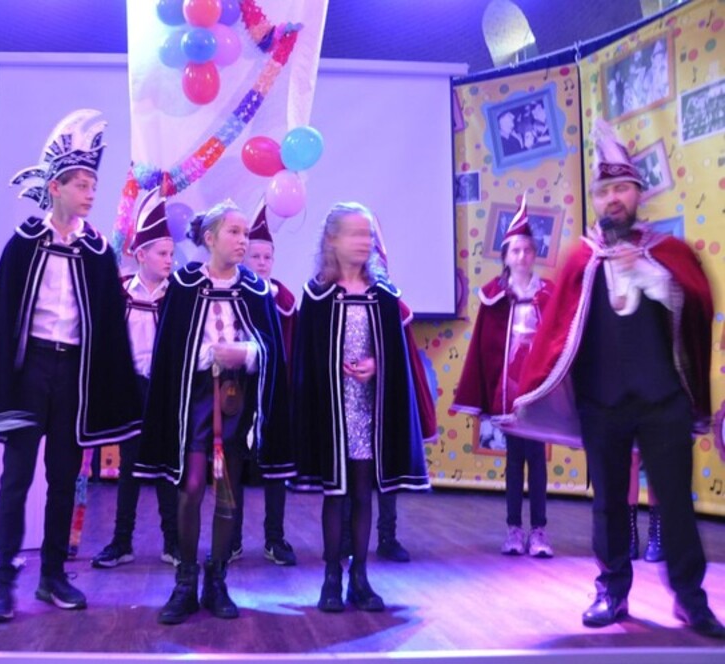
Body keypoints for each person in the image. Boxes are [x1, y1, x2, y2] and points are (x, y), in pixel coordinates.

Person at [506, 120, 723, 638]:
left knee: (675, 501)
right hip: (602, 402)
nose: (613, 199)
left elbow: (695, 303)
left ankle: (691, 599)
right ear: (597, 201)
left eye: (622, 189)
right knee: (606, 503)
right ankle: (612, 590)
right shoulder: (582, 258)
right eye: (604, 192)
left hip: (662, 399)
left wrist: (646, 273)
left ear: (638, 194)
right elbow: (558, 333)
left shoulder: (668, 254)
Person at [0, 109, 142, 623]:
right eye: (81, 184)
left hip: (73, 375)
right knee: (16, 477)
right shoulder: (25, 242)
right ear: (55, 187)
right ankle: (2, 582)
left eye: (93, 185)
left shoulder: (97, 252)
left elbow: (108, 328)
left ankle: (53, 575)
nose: (89, 193)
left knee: (65, 477)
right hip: (29, 374)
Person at [134, 200, 294, 625]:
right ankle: (185, 580)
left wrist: (246, 353)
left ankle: (217, 579)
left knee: (226, 490)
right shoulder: (185, 285)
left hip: (235, 400)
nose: (243, 241)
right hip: (195, 398)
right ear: (210, 238)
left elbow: (270, 347)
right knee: (191, 485)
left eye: (245, 234)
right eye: (234, 233)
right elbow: (172, 349)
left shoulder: (255, 290)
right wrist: (208, 355)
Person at [293, 202, 430, 614]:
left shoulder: (383, 296)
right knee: (335, 494)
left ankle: (360, 577)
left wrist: (376, 365)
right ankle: (330, 577)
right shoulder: (317, 295)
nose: (364, 241)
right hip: (334, 410)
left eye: (368, 234)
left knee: (363, 492)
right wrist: (331, 364)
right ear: (332, 240)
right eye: (355, 234)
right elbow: (305, 357)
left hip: (369, 410)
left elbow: (395, 355)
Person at [454, 195, 555, 558]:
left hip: (538, 390)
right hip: (509, 392)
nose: (522, 256)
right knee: (514, 460)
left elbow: (557, 339)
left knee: (537, 460)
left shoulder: (547, 294)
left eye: (528, 250)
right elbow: (485, 347)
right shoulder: (495, 296)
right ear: (506, 256)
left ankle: (539, 531)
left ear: (534, 254)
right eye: (516, 250)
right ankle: (514, 529)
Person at [91, 191, 180, 569]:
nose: (169, 260)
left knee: (165, 468)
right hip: (130, 389)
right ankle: (121, 541)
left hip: (163, 392)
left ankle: (174, 542)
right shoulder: (122, 292)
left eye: (171, 254)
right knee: (129, 466)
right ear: (141, 254)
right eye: (162, 253)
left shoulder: (177, 295)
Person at [227, 202, 297, 566]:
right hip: (235, 387)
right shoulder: (231, 291)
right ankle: (231, 539)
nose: (262, 262)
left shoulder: (282, 299)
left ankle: (275, 538)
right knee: (233, 462)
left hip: (272, 388)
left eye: (267, 256)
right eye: (255, 255)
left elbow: (290, 344)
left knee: (276, 462)